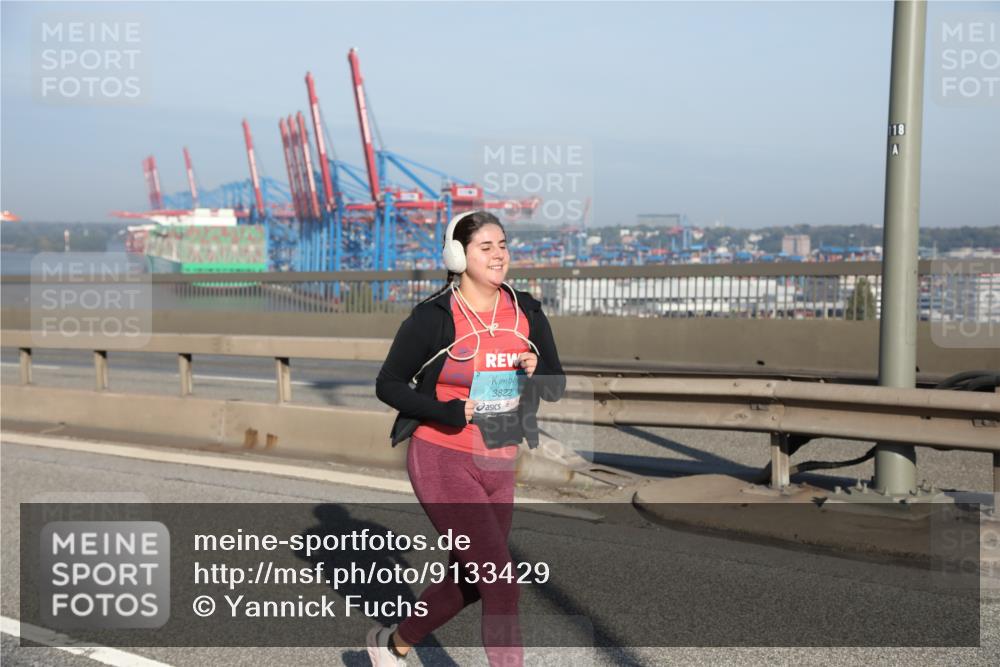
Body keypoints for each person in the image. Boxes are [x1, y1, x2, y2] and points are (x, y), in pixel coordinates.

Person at [368, 210, 566, 667]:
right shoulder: (434, 317)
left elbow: (555, 384)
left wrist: (539, 371)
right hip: (443, 456)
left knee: (474, 581)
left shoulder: (527, 311)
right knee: (503, 584)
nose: (499, 255)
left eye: (503, 245)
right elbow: (388, 384)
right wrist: (448, 411)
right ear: (457, 256)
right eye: (486, 247)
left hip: (499, 457)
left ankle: (393, 644)